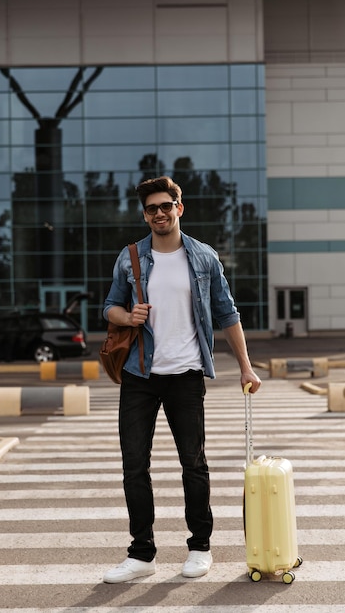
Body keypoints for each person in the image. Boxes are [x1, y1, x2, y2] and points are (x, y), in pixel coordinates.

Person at [102, 175, 262, 583]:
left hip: (186, 376)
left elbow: (228, 314)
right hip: (140, 374)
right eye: (151, 208)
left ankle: (200, 547)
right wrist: (128, 315)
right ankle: (141, 554)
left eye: (165, 206)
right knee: (134, 466)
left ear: (179, 207)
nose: (159, 213)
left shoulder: (203, 257)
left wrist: (245, 365)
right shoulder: (131, 257)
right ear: (145, 214)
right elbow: (110, 308)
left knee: (193, 464)